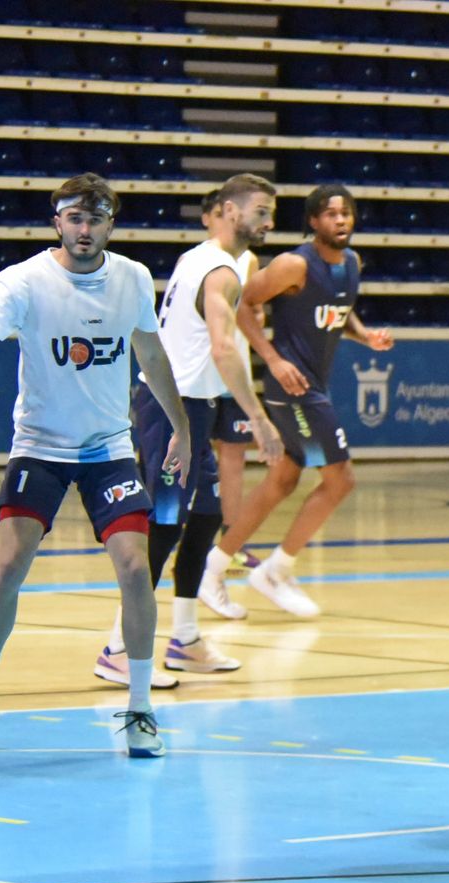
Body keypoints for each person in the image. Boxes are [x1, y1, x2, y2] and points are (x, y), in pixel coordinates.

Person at [0, 173, 189, 758]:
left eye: (96, 219)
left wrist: (181, 430)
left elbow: (151, 353)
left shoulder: (133, 278)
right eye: (75, 218)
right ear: (57, 222)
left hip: (109, 448)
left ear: (111, 224)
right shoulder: (24, 281)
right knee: (10, 563)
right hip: (40, 446)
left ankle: (139, 708)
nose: (85, 229)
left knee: (135, 569)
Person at [95, 173, 284, 688]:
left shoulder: (198, 258)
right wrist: (259, 417)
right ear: (229, 210)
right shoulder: (220, 272)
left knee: (205, 517)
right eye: (260, 211)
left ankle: (185, 639)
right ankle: (117, 648)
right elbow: (223, 349)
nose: (268, 222)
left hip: (195, 407)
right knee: (163, 525)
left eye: (271, 213)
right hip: (171, 410)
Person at [198, 184, 393, 617]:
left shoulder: (351, 263)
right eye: (331, 213)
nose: (340, 220)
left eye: (346, 213)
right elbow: (242, 303)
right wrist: (272, 359)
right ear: (313, 221)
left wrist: (365, 336)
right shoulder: (293, 264)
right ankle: (277, 569)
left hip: (314, 386)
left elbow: (339, 310)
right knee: (340, 479)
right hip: (293, 388)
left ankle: (212, 571)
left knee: (283, 480)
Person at [198, 188, 264, 573]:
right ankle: (183, 536)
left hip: (234, 372)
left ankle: (231, 540)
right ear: (208, 217)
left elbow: (250, 310)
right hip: (200, 374)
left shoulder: (248, 260)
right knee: (191, 456)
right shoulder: (197, 261)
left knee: (234, 456)